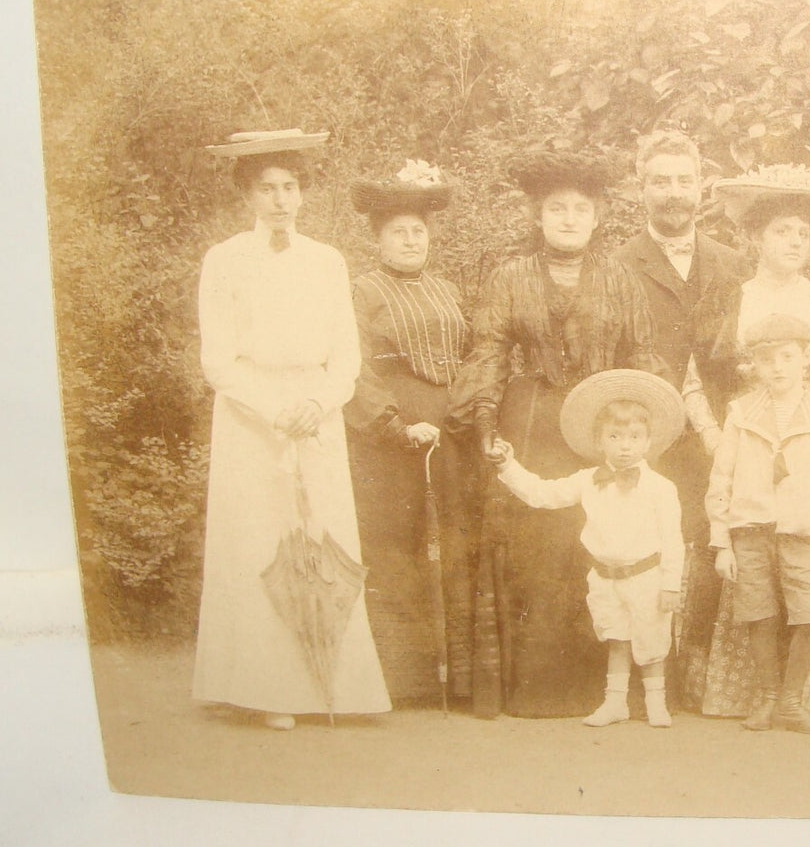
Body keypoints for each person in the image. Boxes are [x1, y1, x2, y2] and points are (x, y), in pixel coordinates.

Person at [447, 150, 666, 718]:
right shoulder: (509, 276)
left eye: (579, 209)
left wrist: (650, 430)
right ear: (538, 217)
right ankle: (536, 691)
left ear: (596, 218)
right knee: (538, 547)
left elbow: (641, 356)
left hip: (604, 424)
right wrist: (487, 423)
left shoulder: (621, 278)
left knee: (602, 542)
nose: (568, 219)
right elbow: (489, 351)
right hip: (536, 420)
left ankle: (604, 691)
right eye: (555, 209)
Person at [192, 129, 390, 730]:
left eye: (290, 187)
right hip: (253, 418)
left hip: (315, 412)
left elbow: (347, 358)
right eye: (266, 189)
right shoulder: (224, 259)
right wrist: (269, 408)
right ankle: (265, 691)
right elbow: (218, 359)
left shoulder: (326, 260)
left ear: (302, 194)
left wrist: (318, 402)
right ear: (246, 197)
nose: (280, 200)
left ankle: (336, 686)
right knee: (259, 543)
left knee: (321, 541)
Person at [688, 163, 810, 719]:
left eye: (802, 233)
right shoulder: (725, 301)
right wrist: (720, 440)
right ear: (754, 238)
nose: (794, 242)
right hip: (745, 453)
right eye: (780, 232)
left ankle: (802, 697)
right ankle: (759, 695)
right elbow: (693, 382)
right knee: (753, 584)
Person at [615, 129, 752, 708]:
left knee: (714, 543)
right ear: (639, 190)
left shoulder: (734, 263)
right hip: (648, 432)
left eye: (684, 181)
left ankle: (705, 681)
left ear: (703, 189)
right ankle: (654, 683)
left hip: (722, 431)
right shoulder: (618, 264)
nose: (674, 193)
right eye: (660, 181)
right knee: (648, 550)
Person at [343, 160, 481, 706]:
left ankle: (459, 674)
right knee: (395, 547)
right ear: (378, 238)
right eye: (397, 231)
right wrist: (393, 426)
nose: (408, 240)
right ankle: (401, 677)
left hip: (451, 432)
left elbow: (474, 354)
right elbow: (352, 366)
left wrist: (468, 412)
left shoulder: (447, 289)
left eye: (417, 231)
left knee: (454, 540)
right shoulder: (361, 291)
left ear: (431, 237)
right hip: (392, 437)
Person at [484, 369, 687, 728]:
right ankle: (615, 703)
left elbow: (672, 538)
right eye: (615, 436)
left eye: (634, 437)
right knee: (616, 638)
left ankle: (657, 703)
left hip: (647, 577)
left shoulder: (660, 488)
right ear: (599, 441)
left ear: (648, 441)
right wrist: (508, 464)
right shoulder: (588, 481)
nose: (625, 446)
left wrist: (671, 583)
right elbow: (541, 493)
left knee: (652, 641)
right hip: (606, 576)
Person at [706, 314, 810, 733]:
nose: (777, 367)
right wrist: (721, 542)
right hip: (751, 532)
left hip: (805, 533)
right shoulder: (741, 414)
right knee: (759, 615)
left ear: (805, 359)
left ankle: (792, 701)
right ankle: (770, 698)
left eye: (787, 357)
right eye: (766, 359)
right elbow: (721, 478)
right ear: (753, 365)